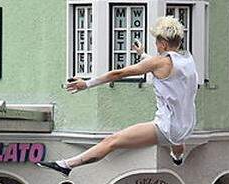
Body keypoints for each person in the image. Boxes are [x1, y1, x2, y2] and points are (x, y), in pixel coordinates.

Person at [38, 15, 196, 174]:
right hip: (186, 125)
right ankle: (178, 156)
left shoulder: (159, 62)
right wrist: (142, 54)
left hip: (166, 126)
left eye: (157, 43)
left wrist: (86, 84)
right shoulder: (187, 60)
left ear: (164, 44)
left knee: (112, 141)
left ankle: (66, 165)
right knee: (176, 139)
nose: (156, 46)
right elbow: (158, 66)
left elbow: (118, 74)